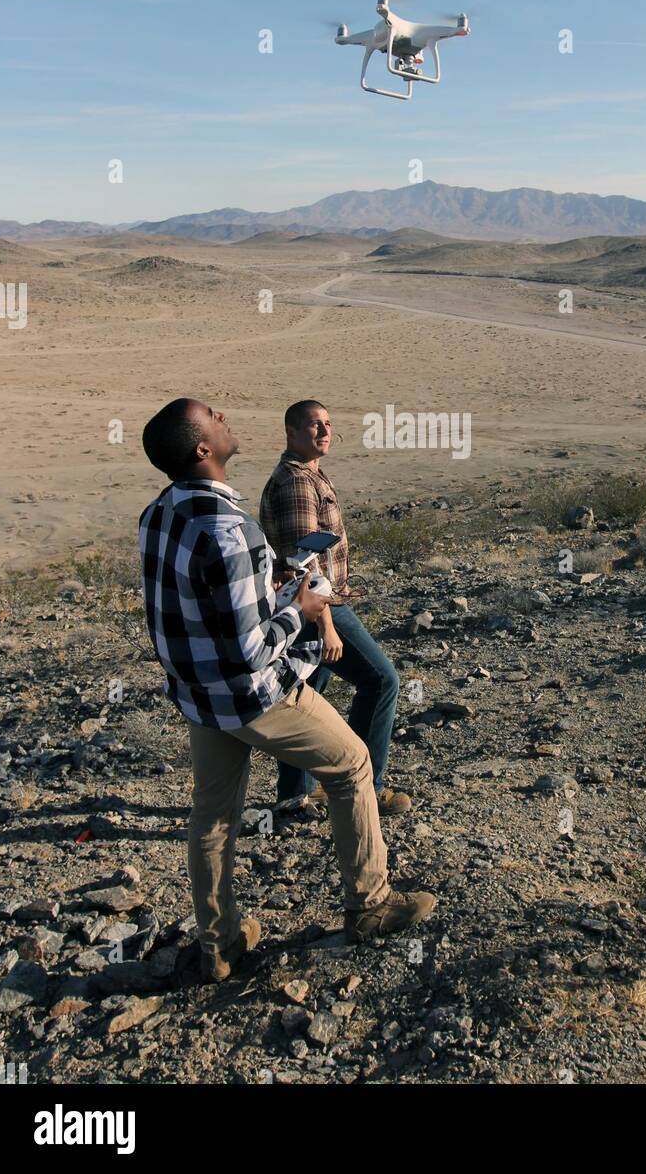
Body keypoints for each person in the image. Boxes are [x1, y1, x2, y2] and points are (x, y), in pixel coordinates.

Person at [138, 397, 435, 982]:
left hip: (200, 695)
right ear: (203, 448)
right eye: (213, 416)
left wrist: (269, 586)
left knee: (215, 815)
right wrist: (300, 610)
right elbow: (250, 647)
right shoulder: (228, 528)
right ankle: (369, 906)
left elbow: (200, 609)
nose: (224, 415)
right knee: (351, 764)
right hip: (253, 694)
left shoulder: (160, 513)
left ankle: (219, 946)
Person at [259, 400, 410, 816]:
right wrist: (326, 623)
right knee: (381, 682)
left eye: (328, 424)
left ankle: (294, 796)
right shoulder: (295, 482)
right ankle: (364, 787)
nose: (324, 431)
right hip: (316, 607)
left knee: (305, 693)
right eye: (313, 425)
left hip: (312, 607)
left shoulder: (306, 473)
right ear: (290, 431)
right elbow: (301, 561)